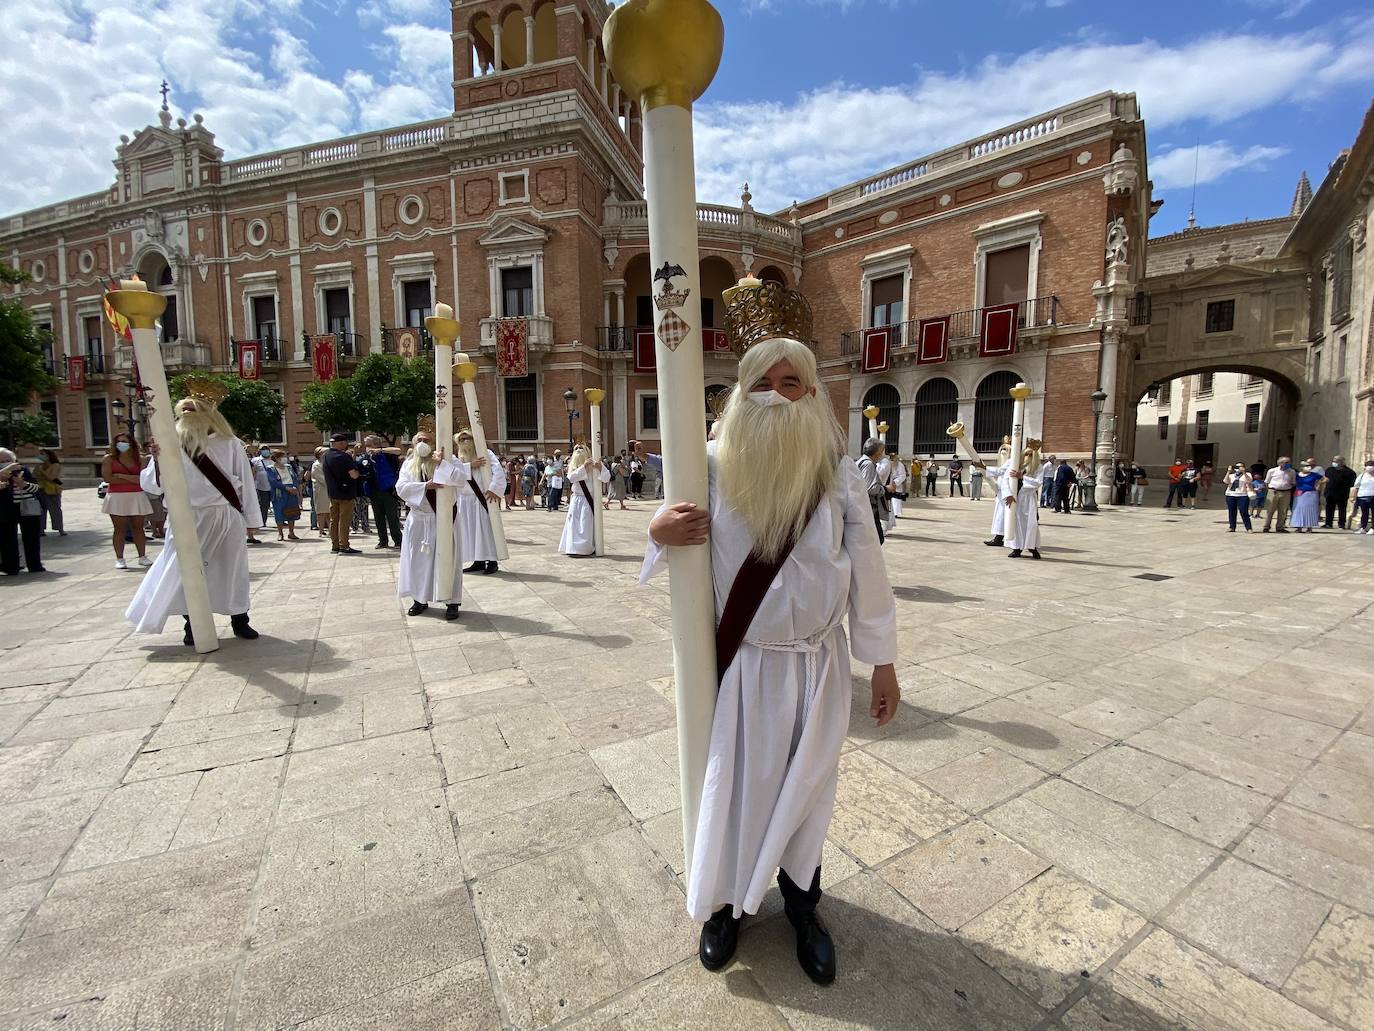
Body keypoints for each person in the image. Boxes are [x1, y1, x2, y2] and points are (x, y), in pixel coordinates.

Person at [642, 325, 898, 985]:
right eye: (763, 382)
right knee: (739, 788)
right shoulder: (711, 464)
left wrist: (885, 662)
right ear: (741, 391)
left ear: (812, 393)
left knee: (809, 795)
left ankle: (803, 907)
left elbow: (868, 567)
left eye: (792, 383)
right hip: (748, 669)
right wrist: (657, 529)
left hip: (819, 667)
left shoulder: (839, 472)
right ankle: (724, 905)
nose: (778, 396)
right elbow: (675, 528)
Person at [126, 386, 261, 645]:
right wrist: (156, 459)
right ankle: (192, 625)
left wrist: (251, 521)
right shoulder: (170, 446)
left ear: (208, 414)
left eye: (194, 410)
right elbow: (153, 486)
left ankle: (240, 620)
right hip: (186, 518)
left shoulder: (230, 443)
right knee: (184, 572)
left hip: (224, 516)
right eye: (183, 411)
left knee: (231, 570)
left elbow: (244, 480)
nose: (187, 415)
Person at [395, 426, 470, 620]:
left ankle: (452, 601)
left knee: (448, 559)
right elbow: (401, 488)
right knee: (418, 562)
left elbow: (461, 479)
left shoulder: (449, 460)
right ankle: (420, 599)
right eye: (419, 440)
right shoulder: (409, 463)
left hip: (444, 519)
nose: (422, 444)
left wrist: (441, 465)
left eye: (427, 440)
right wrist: (424, 486)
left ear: (434, 443)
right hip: (419, 520)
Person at [454, 429, 506, 573]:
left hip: (481, 498)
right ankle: (478, 561)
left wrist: (494, 489)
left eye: (468, 438)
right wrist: (470, 465)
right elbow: (452, 472)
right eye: (461, 439)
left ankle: (492, 561)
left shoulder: (485, 453)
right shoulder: (459, 458)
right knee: (471, 531)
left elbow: (498, 471)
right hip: (464, 500)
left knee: (485, 530)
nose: (465, 442)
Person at [101, 432, 153, 570]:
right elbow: (108, 478)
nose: (121, 444)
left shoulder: (139, 459)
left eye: (124, 441)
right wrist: (131, 478)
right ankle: (119, 558)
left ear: (131, 443)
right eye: (119, 441)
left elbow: (142, 479)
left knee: (138, 528)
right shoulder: (109, 459)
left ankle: (142, 556)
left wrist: (121, 476)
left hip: (136, 495)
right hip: (117, 496)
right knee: (119, 529)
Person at [984, 440, 1043, 559]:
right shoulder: (1014, 464)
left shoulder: (1038, 467)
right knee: (1015, 524)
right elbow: (1005, 478)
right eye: (1026, 454)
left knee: (1031, 524)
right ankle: (1016, 549)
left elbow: (1038, 483)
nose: (1027, 457)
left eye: (1030, 455)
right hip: (1016, 498)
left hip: (1028, 500)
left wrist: (1022, 477)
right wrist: (1008, 495)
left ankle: (1033, 548)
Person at [558, 444, 611, 555]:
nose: (578, 450)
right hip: (577, 499)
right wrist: (583, 467)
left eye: (581, 448)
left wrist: (600, 467)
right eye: (576, 449)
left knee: (585, 523)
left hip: (589, 500)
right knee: (574, 524)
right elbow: (572, 478)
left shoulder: (595, 466)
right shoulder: (573, 467)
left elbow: (606, 478)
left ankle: (584, 549)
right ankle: (573, 549)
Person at [0, 452, 45, 574]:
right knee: (8, 539)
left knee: (32, 538)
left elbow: (36, 488)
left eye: (7, 459)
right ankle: (11, 566)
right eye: (1, 461)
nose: (4, 462)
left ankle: (35, 565)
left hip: (28, 508)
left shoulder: (24, 470)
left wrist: (23, 484)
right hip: (6, 510)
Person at [321, 432, 362, 554]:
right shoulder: (344, 457)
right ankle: (344, 545)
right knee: (344, 520)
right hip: (346, 493)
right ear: (342, 443)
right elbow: (353, 474)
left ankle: (335, 545)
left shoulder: (325, 456)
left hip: (332, 493)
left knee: (334, 520)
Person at [361, 435, 404, 550]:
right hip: (374, 491)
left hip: (388, 491)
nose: (367, 448)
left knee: (392, 517)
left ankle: (398, 540)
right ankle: (383, 541)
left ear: (376, 445)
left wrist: (380, 450)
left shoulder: (387, 453)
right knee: (378, 518)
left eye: (369, 445)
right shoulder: (366, 457)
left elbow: (398, 450)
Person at [856, 438, 890, 544]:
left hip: (863, 508)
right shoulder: (868, 464)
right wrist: (885, 489)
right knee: (877, 539)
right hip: (869, 508)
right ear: (877, 453)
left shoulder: (859, 462)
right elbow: (870, 488)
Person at [266, 450, 301, 541]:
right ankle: (280, 533)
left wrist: (295, 488)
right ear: (277, 458)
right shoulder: (270, 468)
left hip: (292, 491)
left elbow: (295, 478)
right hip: (280, 492)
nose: (285, 458)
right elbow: (273, 482)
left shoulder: (288, 467)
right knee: (279, 512)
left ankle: (291, 532)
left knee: (292, 511)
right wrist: (286, 488)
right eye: (282, 456)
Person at [34, 449, 65, 536]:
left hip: (52, 490)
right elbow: (34, 476)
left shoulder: (55, 465)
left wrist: (42, 470)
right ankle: (41, 530)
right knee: (41, 511)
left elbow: (51, 477)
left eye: (43, 454)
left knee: (55, 510)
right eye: (40, 454)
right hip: (40, 489)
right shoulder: (39, 465)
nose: (41, 456)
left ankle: (60, 529)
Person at [248, 443, 273, 545]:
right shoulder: (255, 460)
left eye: (267, 449)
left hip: (272, 486)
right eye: (263, 449)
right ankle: (263, 521)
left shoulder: (272, 460)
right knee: (264, 505)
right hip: (261, 487)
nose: (265, 450)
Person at [1322, 456, 1356, 529]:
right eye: (1334, 460)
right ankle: (1328, 523)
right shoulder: (1329, 470)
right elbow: (1326, 479)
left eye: (1337, 461)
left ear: (1342, 462)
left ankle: (1341, 524)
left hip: (1342, 494)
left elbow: (1352, 483)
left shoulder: (1349, 472)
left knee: (1342, 509)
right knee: (1329, 508)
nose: (1334, 462)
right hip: (1330, 493)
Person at [1263, 458, 1296, 532]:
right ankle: (1266, 526)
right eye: (1286, 462)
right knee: (1270, 510)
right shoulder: (1272, 471)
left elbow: (1293, 482)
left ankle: (1280, 527)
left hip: (1286, 492)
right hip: (1273, 491)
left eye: (1289, 462)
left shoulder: (1292, 471)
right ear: (1280, 463)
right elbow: (1266, 482)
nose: (1288, 464)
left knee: (1283, 511)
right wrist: (1269, 490)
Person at [1291, 461, 1323, 533]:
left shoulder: (1314, 475)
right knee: (1298, 510)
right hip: (1299, 493)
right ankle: (1299, 527)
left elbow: (1325, 479)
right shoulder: (1297, 475)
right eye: (1306, 466)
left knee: (1310, 510)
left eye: (1309, 466)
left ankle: (1309, 527)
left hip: (1311, 493)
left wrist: (1319, 484)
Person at [1221, 463, 1253, 532]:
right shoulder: (1231, 475)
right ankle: (1232, 527)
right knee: (1232, 511)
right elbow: (1226, 481)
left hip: (1242, 495)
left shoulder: (1247, 474)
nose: (1238, 468)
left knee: (1244, 511)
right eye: (1237, 467)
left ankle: (1248, 528)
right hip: (1231, 494)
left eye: (1240, 467)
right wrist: (1228, 471)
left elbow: (1249, 480)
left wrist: (1244, 472)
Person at [310, 446, 330, 538]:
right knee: (321, 511)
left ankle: (330, 529)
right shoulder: (316, 465)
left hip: (328, 490)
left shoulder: (327, 463)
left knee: (329, 511)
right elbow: (321, 478)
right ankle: (321, 530)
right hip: (320, 490)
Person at [1354, 461, 1374, 534]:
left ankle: (1373, 528)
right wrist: (1354, 496)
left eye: (1371, 465)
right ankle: (1363, 527)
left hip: (1373, 497)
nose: (1370, 467)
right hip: (1362, 497)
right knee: (1364, 513)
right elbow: (1356, 487)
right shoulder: (1362, 476)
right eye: (1368, 465)